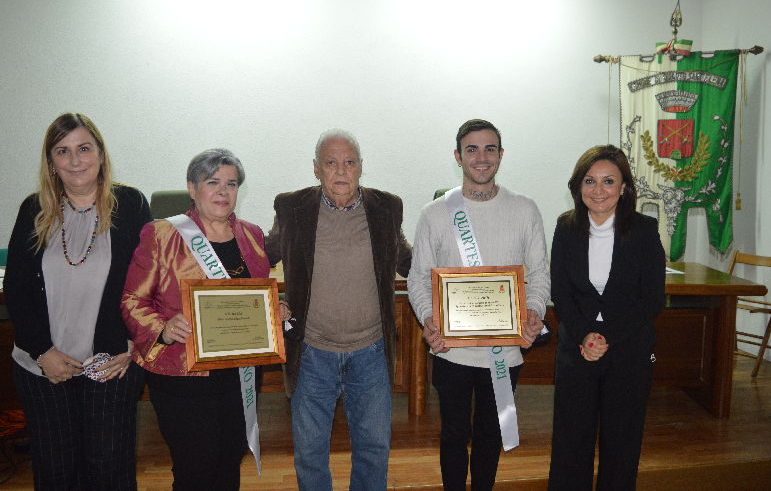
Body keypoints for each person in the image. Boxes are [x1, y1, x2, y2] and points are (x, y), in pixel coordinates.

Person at [4, 113, 151, 490]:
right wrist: (42, 353)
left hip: (110, 362)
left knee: (109, 469)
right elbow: (17, 290)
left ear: (100, 154)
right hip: (43, 366)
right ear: (51, 163)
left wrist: (132, 341)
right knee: (56, 472)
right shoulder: (33, 209)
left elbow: (148, 280)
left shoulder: (130, 204)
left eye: (84, 148)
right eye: (62, 151)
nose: (75, 160)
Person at [264, 129, 413, 491]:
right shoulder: (292, 207)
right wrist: (271, 303)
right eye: (331, 163)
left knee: (374, 450)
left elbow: (413, 265)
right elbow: (258, 260)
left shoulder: (387, 208)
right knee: (310, 454)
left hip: (371, 352)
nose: (341, 171)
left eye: (349, 162)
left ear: (361, 167)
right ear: (316, 169)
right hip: (312, 352)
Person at [121, 149, 278, 491]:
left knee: (229, 461)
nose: (223, 191)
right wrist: (162, 329)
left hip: (240, 373)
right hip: (183, 377)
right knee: (196, 467)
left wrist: (278, 311)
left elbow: (254, 297)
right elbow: (133, 300)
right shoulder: (162, 235)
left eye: (231, 183)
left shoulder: (252, 235)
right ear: (192, 188)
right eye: (213, 182)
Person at [407, 119, 550, 491]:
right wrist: (428, 318)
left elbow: (538, 275)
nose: (481, 157)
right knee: (453, 433)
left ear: (501, 156)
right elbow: (418, 279)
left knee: (490, 432)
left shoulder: (525, 209)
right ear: (458, 156)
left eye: (490, 149)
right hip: (452, 350)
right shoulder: (435, 213)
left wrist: (533, 311)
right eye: (472, 149)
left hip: (505, 352)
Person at [547, 145, 666, 491]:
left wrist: (606, 336)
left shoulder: (644, 230)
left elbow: (652, 298)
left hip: (628, 346)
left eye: (608, 181)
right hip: (578, 347)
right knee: (571, 438)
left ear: (624, 187)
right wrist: (586, 335)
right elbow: (562, 292)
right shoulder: (565, 228)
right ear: (578, 186)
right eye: (589, 181)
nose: (598, 191)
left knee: (622, 439)